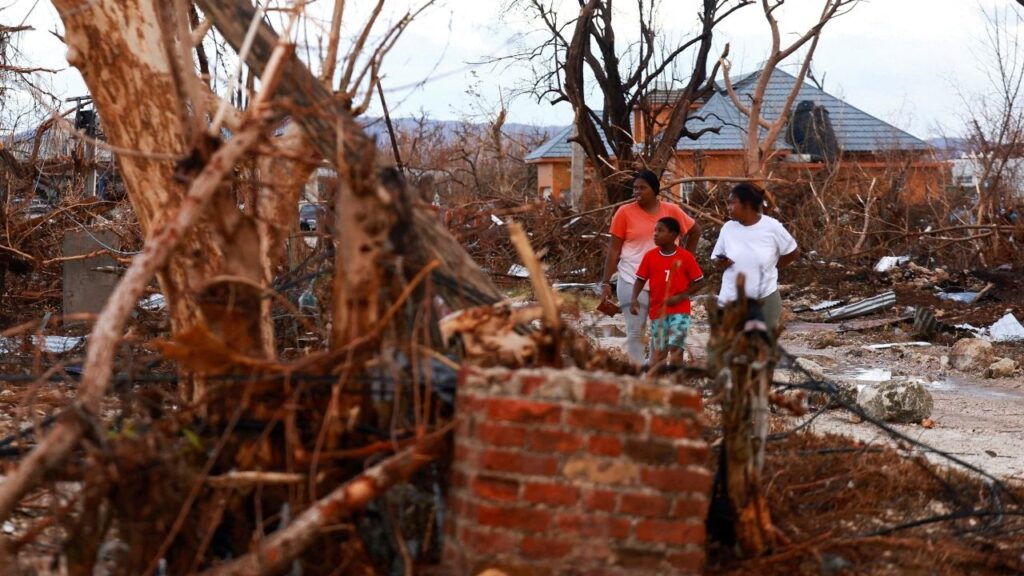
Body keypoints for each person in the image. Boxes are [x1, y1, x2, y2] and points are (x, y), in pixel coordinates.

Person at [601, 170, 702, 365]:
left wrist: (685, 260)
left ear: (654, 190)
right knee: (635, 330)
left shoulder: (671, 210)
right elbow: (613, 250)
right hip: (632, 278)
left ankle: (654, 370)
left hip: (664, 281)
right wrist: (605, 281)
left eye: (642, 188)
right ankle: (638, 373)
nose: (637, 192)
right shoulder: (624, 212)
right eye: (635, 188)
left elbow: (695, 231)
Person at [711, 183, 800, 331]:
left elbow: (793, 252)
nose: (728, 207)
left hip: (764, 299)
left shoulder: (772, 227)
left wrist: (773, 266)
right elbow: (715, 259)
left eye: (732, 203)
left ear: (747, 204)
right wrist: (720, 263)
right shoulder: (728, 228)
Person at [629, 217, 704, 370]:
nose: (655, 234)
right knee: (660, 352)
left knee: (676, 349)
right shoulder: (650, 256)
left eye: (660, 230)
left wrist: (681, 296)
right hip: (658, 311)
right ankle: (659, 386)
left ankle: (677, 384)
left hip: (680, 311)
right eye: (655, 230)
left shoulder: (686, 257)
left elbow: (700, 282)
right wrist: (634, 299)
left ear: (673, 235)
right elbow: (640, 280)